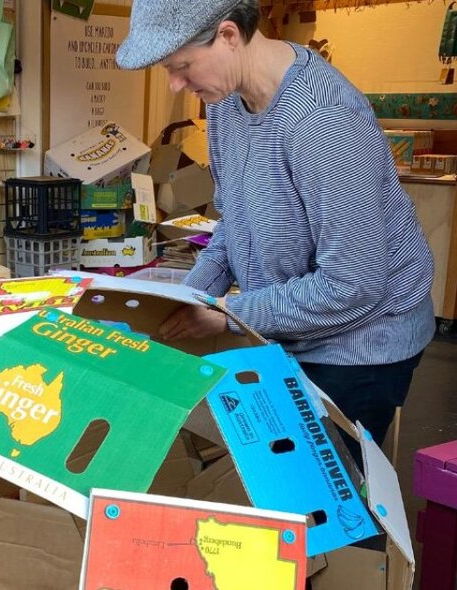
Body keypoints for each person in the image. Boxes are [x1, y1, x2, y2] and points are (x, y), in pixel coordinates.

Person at [116, 0, 435, 462]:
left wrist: (227, 314)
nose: (175, 84)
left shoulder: (323, 118)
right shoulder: (227, 101)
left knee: (324, 501)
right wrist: (186, 302)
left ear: (228, 35)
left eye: (182, 66)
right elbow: (234, 221)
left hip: (360, 344)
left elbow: (354, 283)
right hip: (292, 326)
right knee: (275, 481)